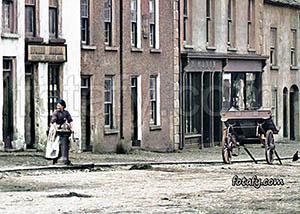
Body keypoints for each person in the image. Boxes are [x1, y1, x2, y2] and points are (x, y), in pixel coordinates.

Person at [50, 99, 73, 165]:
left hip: (64, 130)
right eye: (57, 105)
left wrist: (70, 128)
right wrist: (56, 129)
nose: (58, 107)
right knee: (56, 145)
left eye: (59, 105)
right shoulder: (56, 113)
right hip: (56, 130)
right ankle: (56, 159)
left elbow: (70, 120)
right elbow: (54, 122)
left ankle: (65, 158)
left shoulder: (66, 113)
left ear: (63, 106)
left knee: (65, 144)